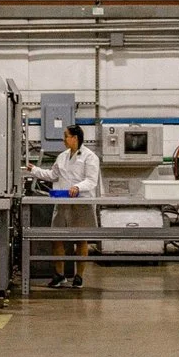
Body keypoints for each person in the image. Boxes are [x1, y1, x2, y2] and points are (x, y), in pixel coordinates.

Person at [48, 124, 101, 289]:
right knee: (56, 239)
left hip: (81, 203)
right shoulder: (62, 156)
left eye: (66, 136)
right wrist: (34, 170)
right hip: (63, 202)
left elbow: (91, 180)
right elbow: (52, 175)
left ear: (75, 138)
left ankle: (79, 276)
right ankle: (59, 275)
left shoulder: (90, 157)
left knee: (81, 239)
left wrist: (78, 187)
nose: (64, 139)